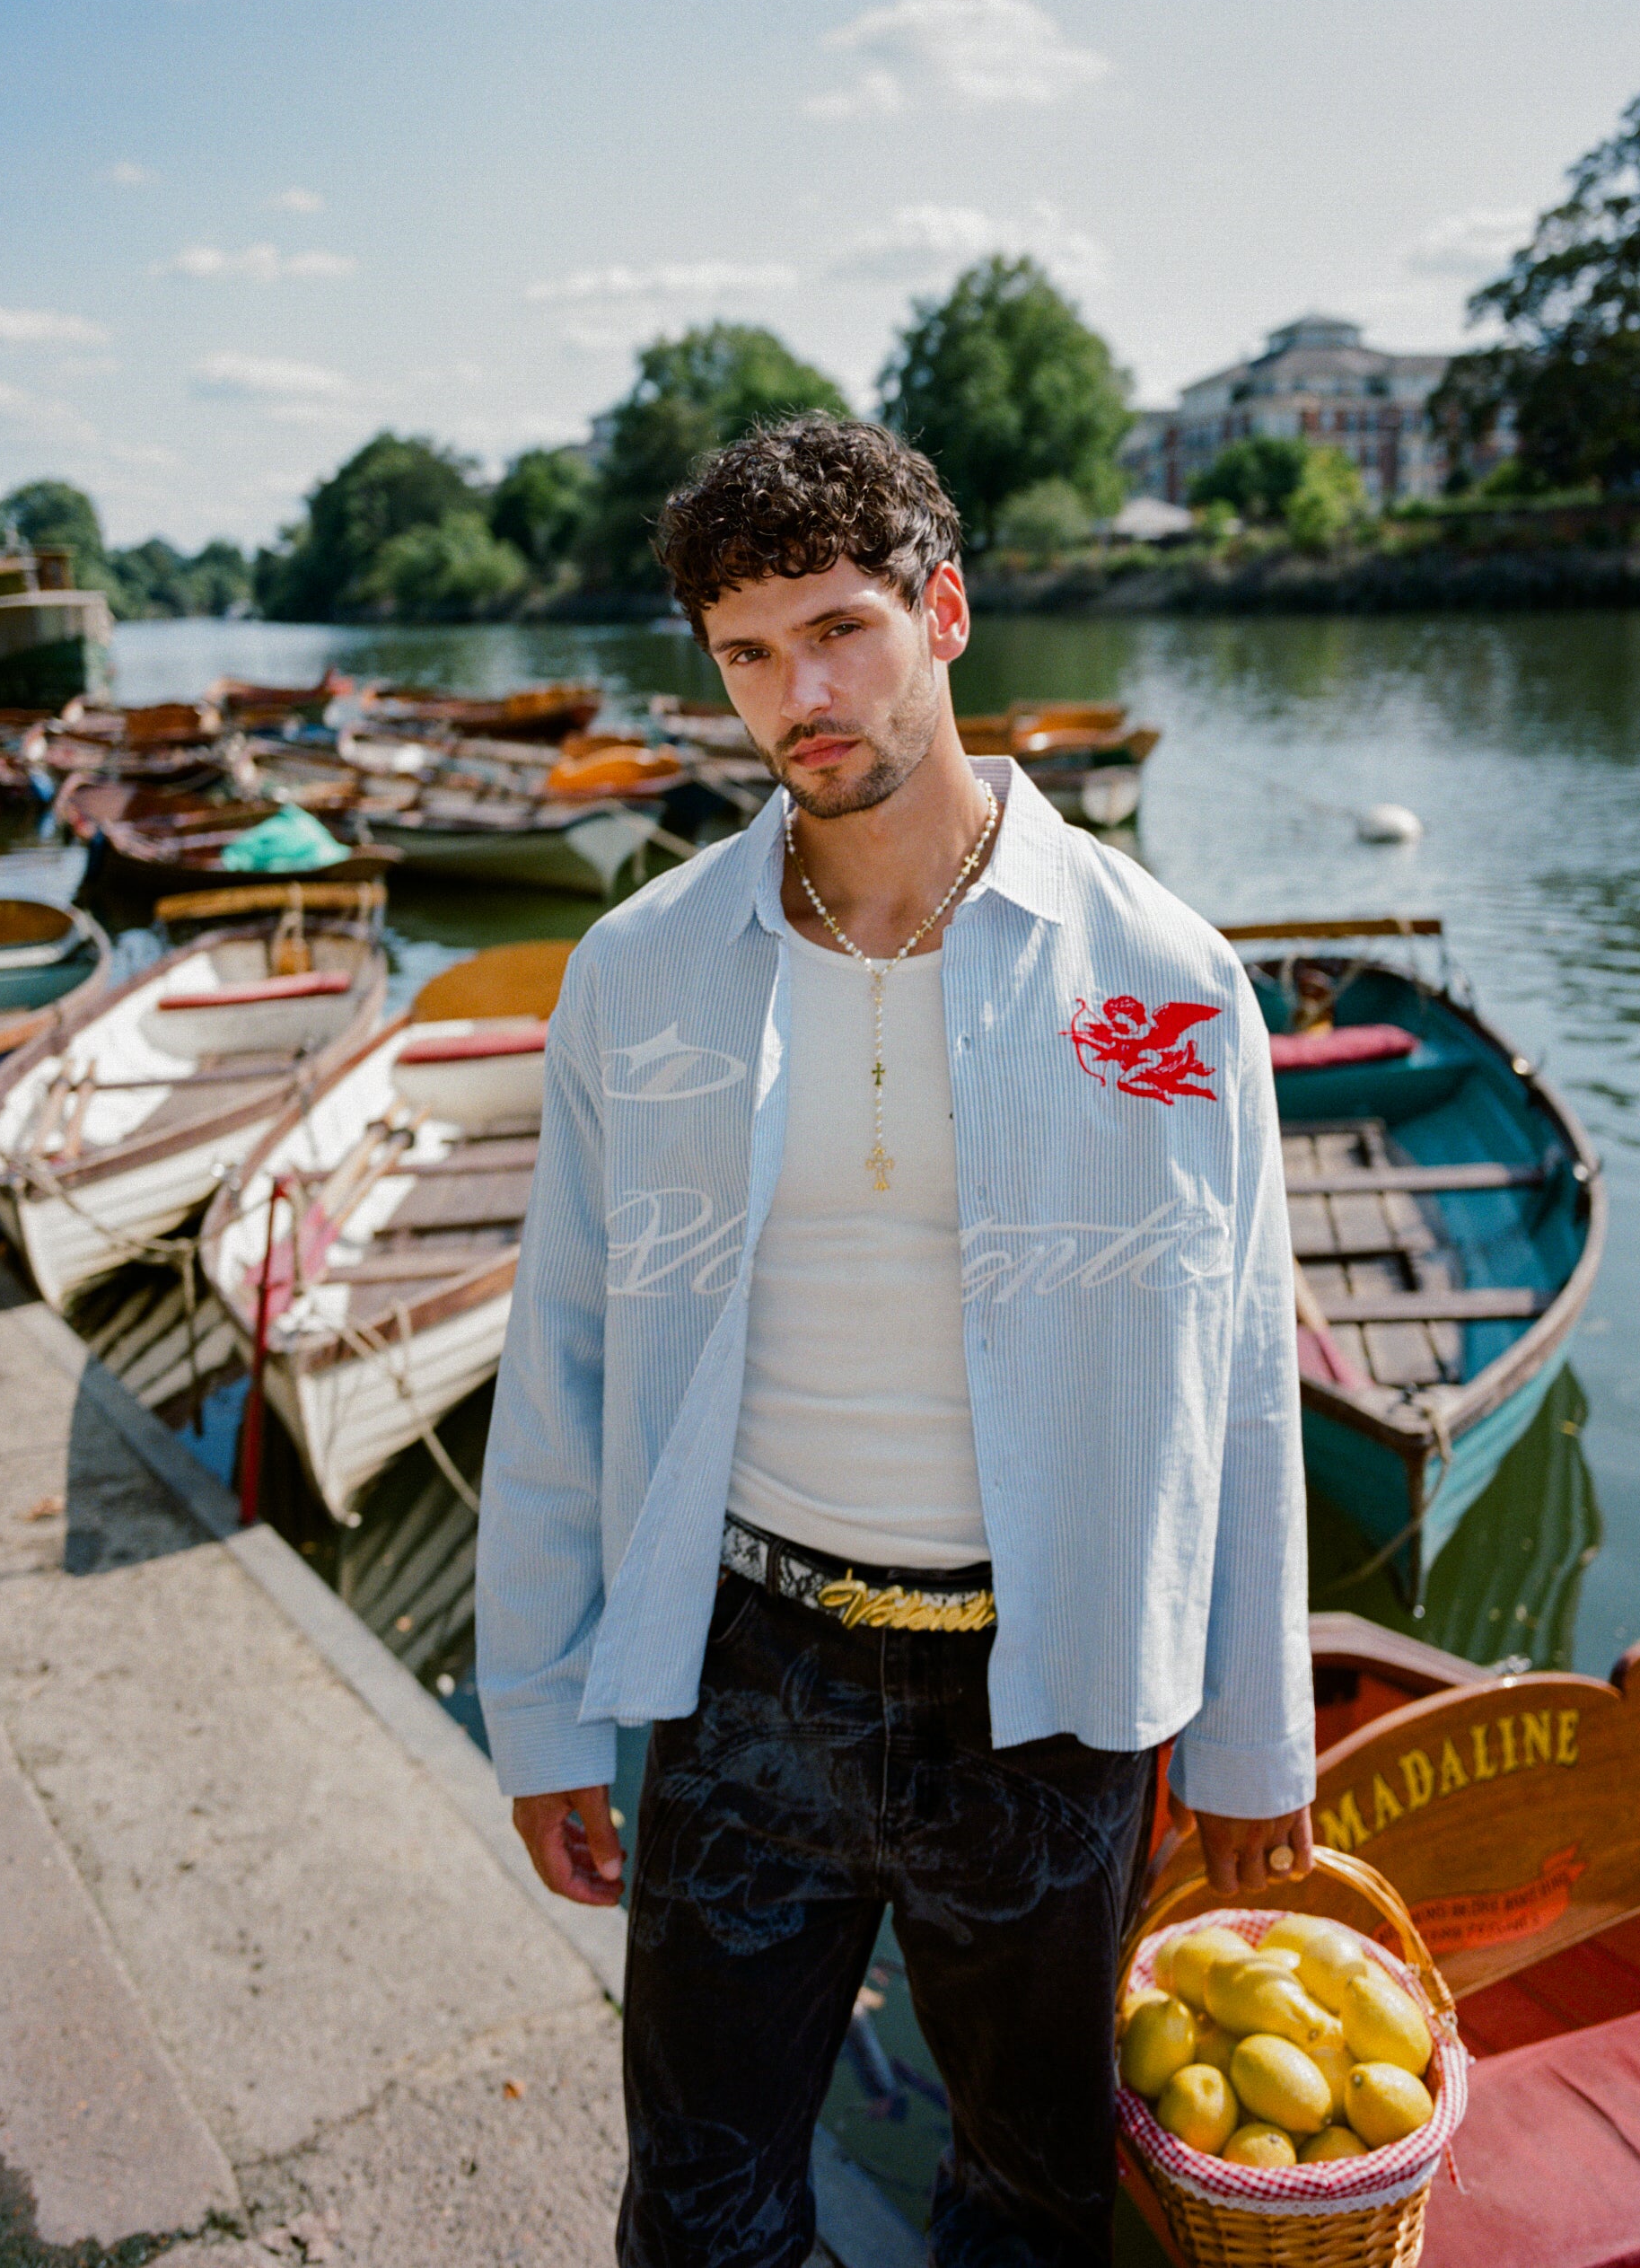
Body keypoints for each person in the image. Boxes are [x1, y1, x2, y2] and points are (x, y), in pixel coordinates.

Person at [477, 415, 1314, 2268]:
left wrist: (1254, 1741)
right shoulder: (639, 968)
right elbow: (565, 1357)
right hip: (746, 1672)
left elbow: (1239, 1384)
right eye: (748, 655)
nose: (801, 696)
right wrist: (538, 1706)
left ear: (943, 614)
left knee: (1030, 2202)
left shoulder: (1164, 978)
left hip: (1050, 1694)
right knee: (697, 2211)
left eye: (839, 630)